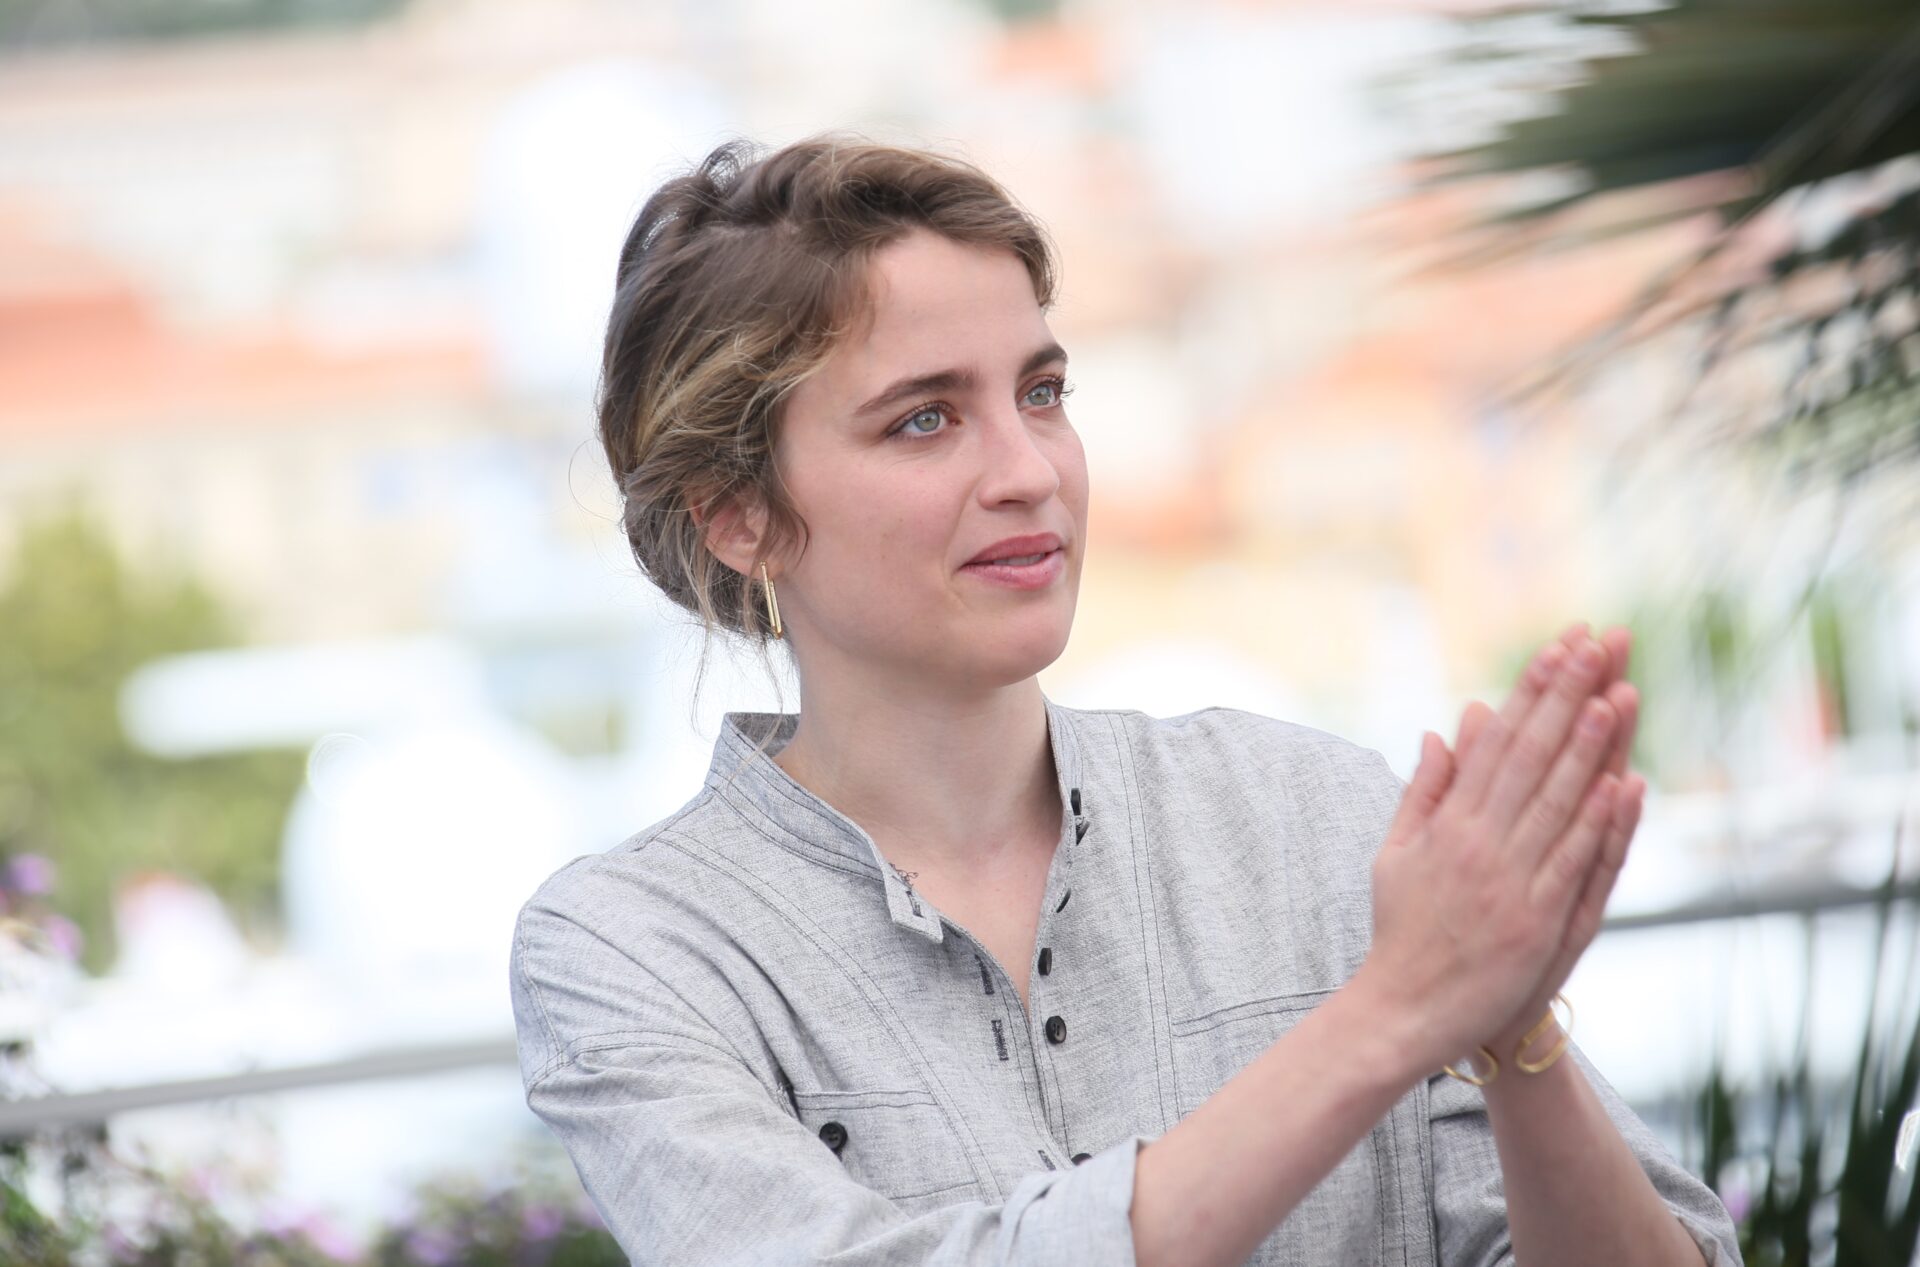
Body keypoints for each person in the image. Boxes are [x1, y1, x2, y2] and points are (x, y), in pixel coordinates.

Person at [507, 134, 1743, 1266]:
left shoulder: (1315, 813)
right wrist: (1396, 1010)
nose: (1030, 471)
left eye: (1042, 393)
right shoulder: (632, 951)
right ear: (740, 516)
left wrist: (1513, 1031)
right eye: (925, 420)